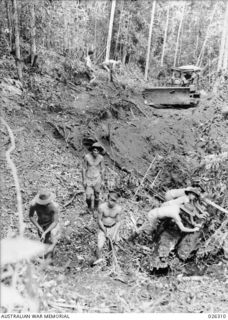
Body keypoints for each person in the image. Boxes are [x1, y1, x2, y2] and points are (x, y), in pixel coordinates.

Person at [29, 190, 61, 257]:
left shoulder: (54, 207)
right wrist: (39, 227)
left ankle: (52, 253)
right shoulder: (34, 204)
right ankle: (45, 252)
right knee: (44, 239)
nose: (46, 204)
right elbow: (31, 216)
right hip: (41, 224)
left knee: (52, 237)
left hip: (52, 224)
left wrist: (46, 232)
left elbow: (55, 221)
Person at [93, 192, 122, 265]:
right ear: (108, 198)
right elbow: (99, 220)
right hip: (103, 227)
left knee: (112, 246)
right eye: (111, 200)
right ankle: (99, 261)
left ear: (116, 201)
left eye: (114, 201)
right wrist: (104, 231)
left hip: (113, 227)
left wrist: (114, 234)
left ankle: (110, 263)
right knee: (99, 246)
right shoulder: (102, 207)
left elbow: (118, 222)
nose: (112, 202)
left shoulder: (118, 209)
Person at [82, 142, 105, 214]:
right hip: (88, 178)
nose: (96, 152)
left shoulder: (101, 158)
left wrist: (103, 180)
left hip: (97, 178)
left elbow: (103, 169)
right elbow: (83, 168)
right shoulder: (87, 157)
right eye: (94, 150)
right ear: (92, 150)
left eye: (97, 150)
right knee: (88, 196)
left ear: (99, 151)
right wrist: (84, 179)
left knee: (97, 195)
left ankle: (95, 208)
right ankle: (89, 207)